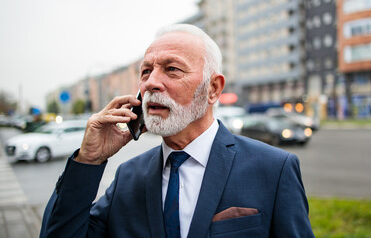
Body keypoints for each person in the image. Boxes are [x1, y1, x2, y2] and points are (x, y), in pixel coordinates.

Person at [40, 24, 315, 238]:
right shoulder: (128, 177)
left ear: (213, 88)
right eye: (146, 71)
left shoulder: (274, 169)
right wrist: (88, 161)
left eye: (171, 69)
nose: (152, 83)